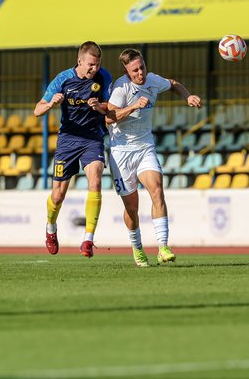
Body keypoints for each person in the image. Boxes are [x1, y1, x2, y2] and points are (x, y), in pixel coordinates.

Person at [105, 48, 202, 267]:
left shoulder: (153, 80)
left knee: (157, 190)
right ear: (127, 71)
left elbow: (174, 83)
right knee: (132, 208)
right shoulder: (121, 88)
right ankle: (137, 248)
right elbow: (108, 119)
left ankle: (163, 247)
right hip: (121, 152)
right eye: (135, 70)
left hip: (145, 147)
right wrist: (132, 106)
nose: (141, 73)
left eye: (142, 67)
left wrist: (188, 96)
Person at [34, 41, 111, 258]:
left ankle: (88, 240)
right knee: (58, 195)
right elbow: (37, 110)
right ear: (79, 61)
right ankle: (50, 227)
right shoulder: (63, 79)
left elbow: (111, 106)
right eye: (90, 65)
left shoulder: (104, 77)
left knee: (95, 180)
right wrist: (51, 104)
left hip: (92, 138)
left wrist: (100, 107)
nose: (93, 69)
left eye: (97, 65)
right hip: (67, 140)